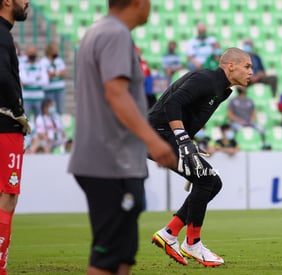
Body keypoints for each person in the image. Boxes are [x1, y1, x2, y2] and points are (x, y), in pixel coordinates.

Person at [67, 1, 177, 274]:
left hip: (110, 157)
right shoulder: (114, 34)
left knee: (121, 256)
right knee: (108, 257)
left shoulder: (98, 30)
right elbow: (116, 94)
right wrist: (153, 141)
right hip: (111, 160)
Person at [149, 47, 252, 267]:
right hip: (157, 135)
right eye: (247, 66)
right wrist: (183, 141)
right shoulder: (206, 79)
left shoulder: (223, 90)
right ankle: (192, 243)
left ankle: (169, 233)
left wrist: (188, 142)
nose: (251, 72)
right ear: (231, 66)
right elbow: (171, 104)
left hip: (168, 136)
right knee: (206, 179)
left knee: (212, 183)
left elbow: (188, 113)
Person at [0, 0, 30, 274]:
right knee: (8, 194)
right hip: (5, 126)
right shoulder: (1, 35)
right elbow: (3, 77)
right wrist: (18, 111)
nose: (27, 2)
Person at [19, 45, 49, 120]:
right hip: (26, 98)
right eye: (31, 53)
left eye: (34, 53)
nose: (33, 55)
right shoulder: (22, 65)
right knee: (25, 120)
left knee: (40, 121)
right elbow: (24, 81)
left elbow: (45, 82)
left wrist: (30, 80)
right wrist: (37, 78)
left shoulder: (41, 65)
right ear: (26, 54)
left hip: (39, 98)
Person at [39, 42, 66, 114]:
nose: (57, 51)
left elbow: (64, 73)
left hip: (60, 90)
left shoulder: (59, 60)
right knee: (50, 111)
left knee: (60, 111)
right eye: (55, 50)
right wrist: (58, 73)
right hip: (49, 91)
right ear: (49, 51)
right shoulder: (43, 61)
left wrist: (53, 73)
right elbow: (46, 75)